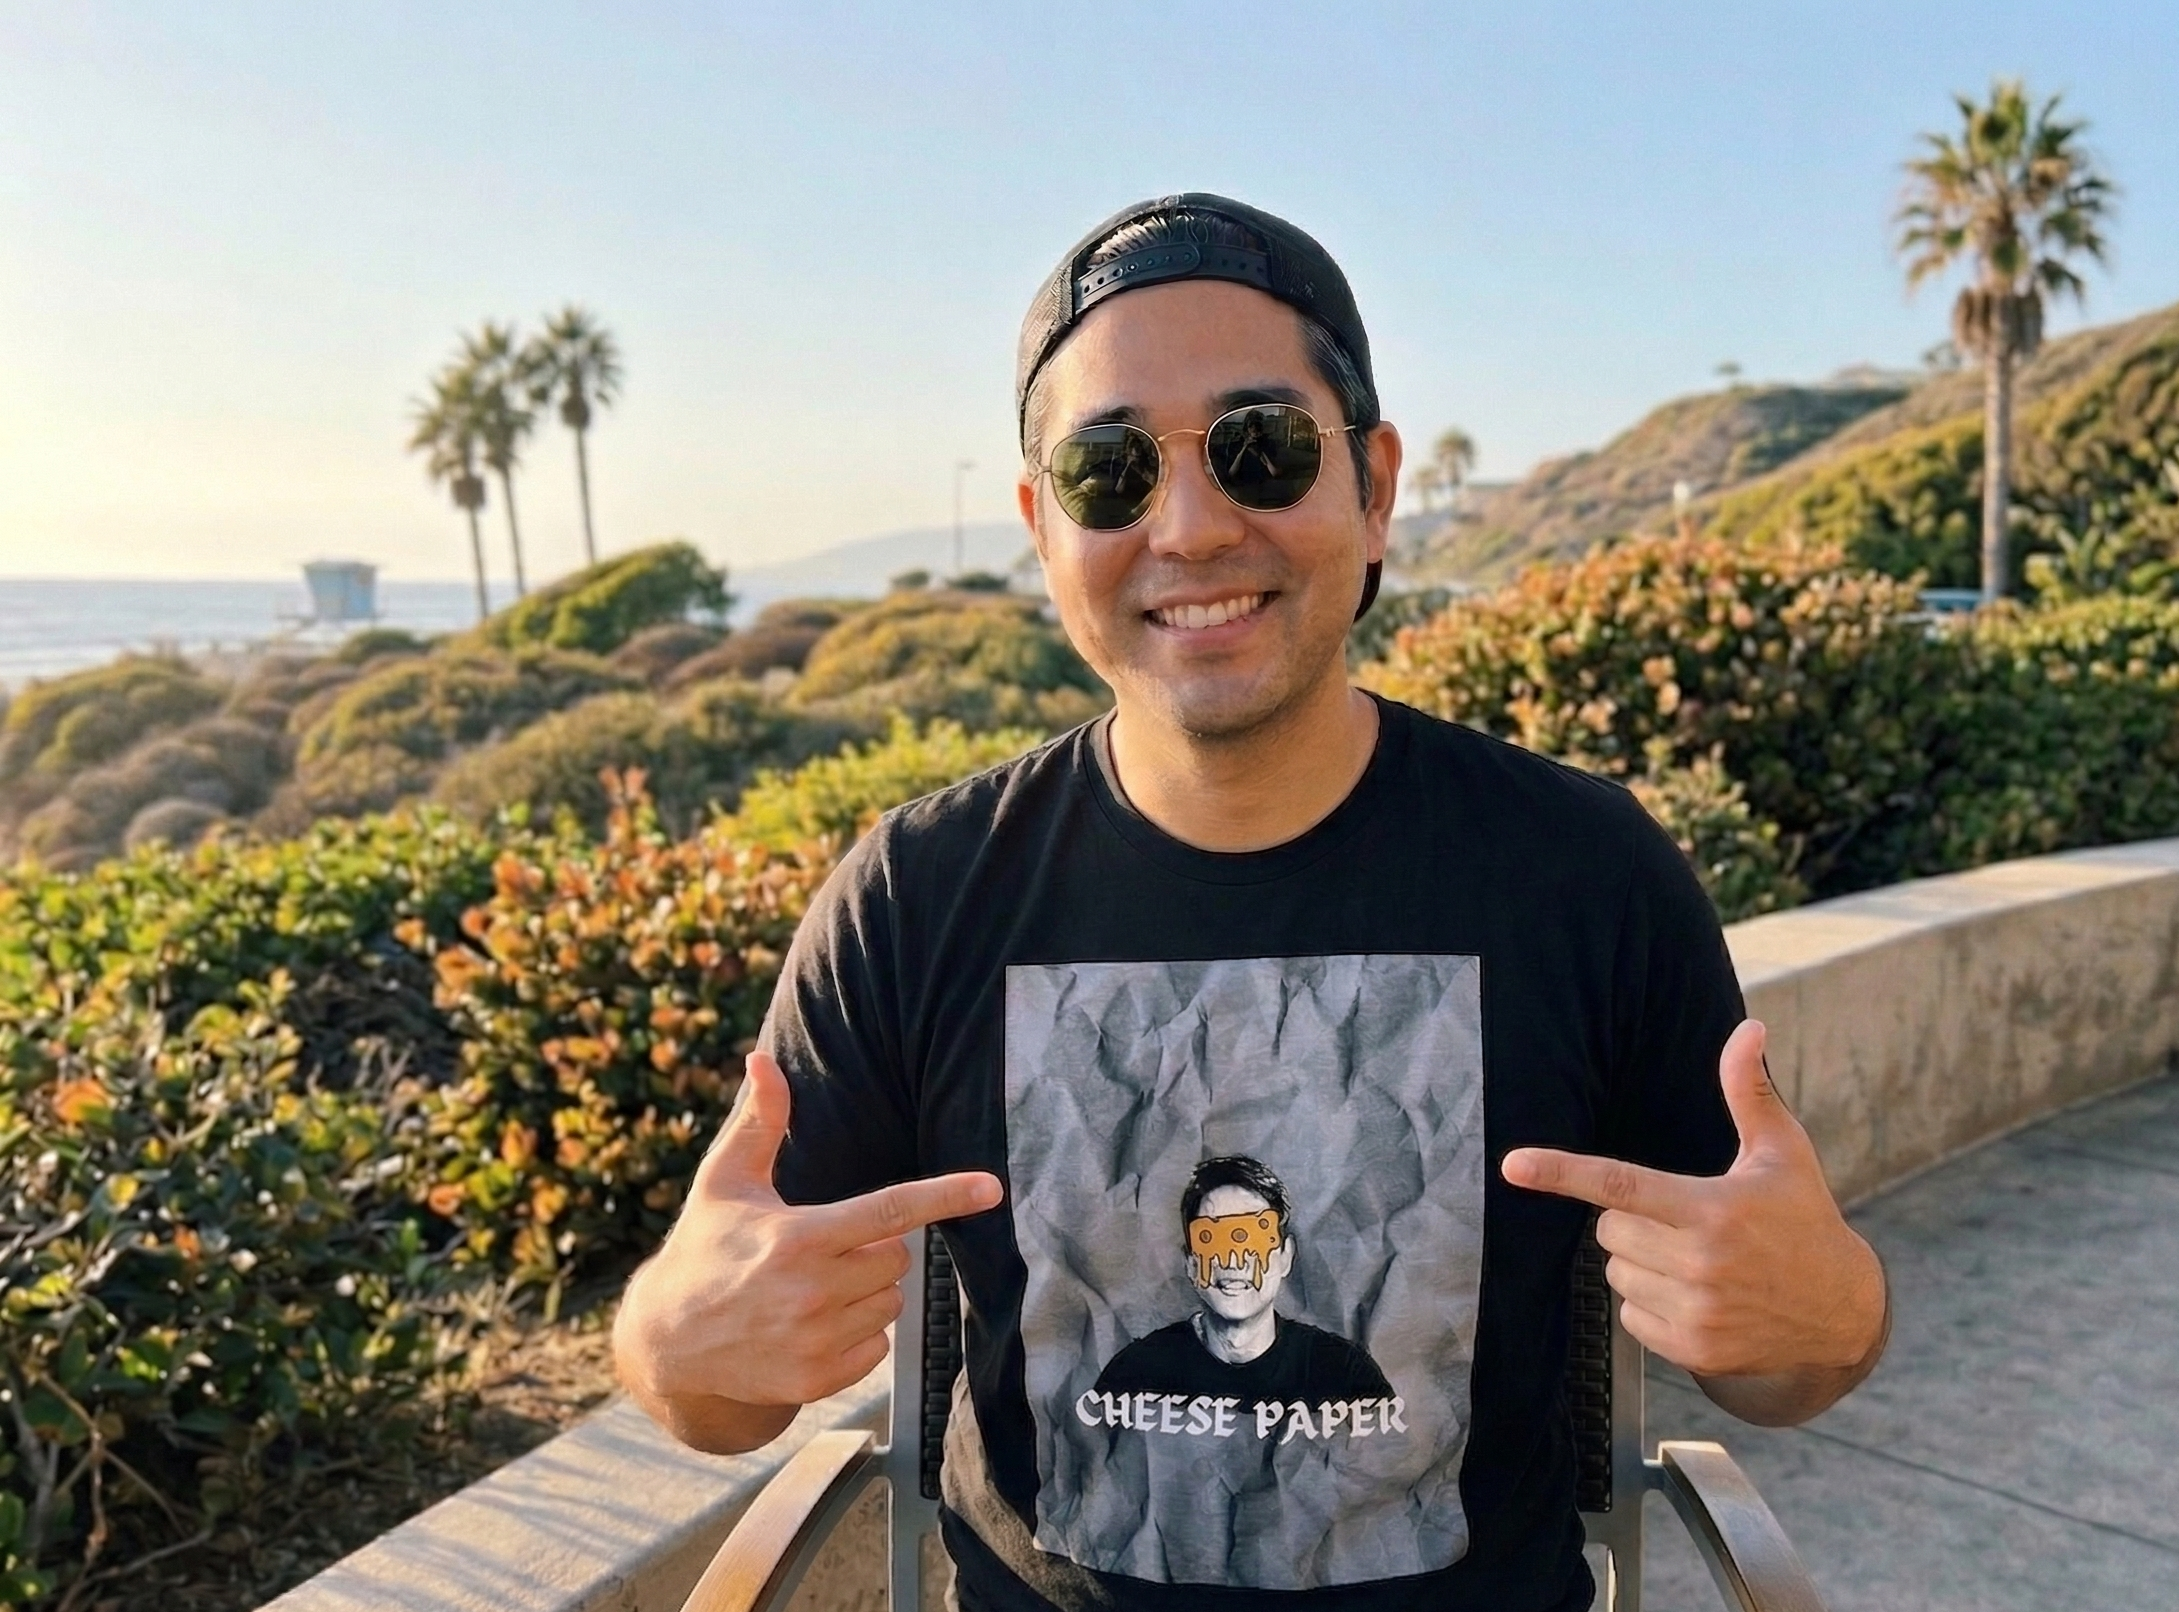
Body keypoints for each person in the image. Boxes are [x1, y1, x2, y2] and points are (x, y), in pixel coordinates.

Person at [614, 194, 1890, 1612]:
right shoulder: (914, 900)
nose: (1190, 525)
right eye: (1109, 473)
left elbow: (1783, 1354)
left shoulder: (1584, 875)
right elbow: (708, 1388)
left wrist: (1827, 1315)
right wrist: (675, 1342)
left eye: (1260, 450)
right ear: (1043, 528)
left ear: (1374, 486)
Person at [1090, 1154, 1392, 1409]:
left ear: (1285, 1257)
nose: (1233, 1261)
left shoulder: (1345, 1375)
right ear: (1191, 1264)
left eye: (1255, 1240)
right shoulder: (1135, 1374)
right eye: (1211, 1240)